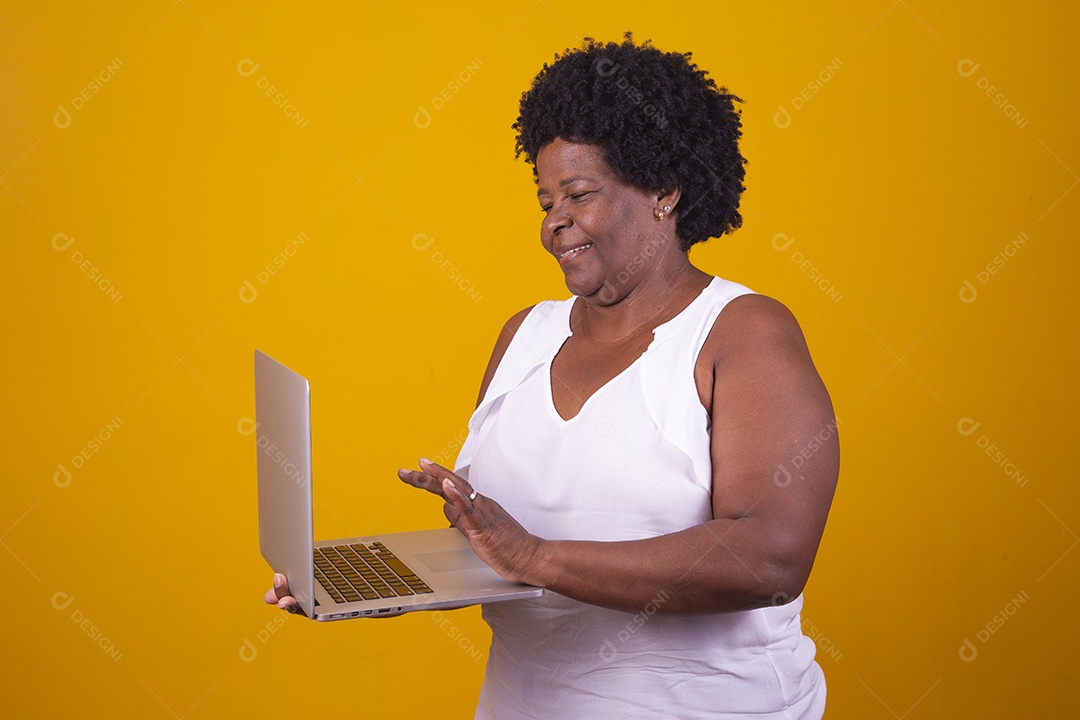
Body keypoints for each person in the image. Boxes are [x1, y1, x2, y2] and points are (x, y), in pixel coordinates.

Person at [267, 34, 839, 719]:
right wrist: (378, 582)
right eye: (545, 200)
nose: (554, 222)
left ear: (664, 190)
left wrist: (537, 556)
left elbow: (768, 557)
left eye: (578, 193)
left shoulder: (742, 333)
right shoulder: (524, 337)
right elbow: (498, 551)